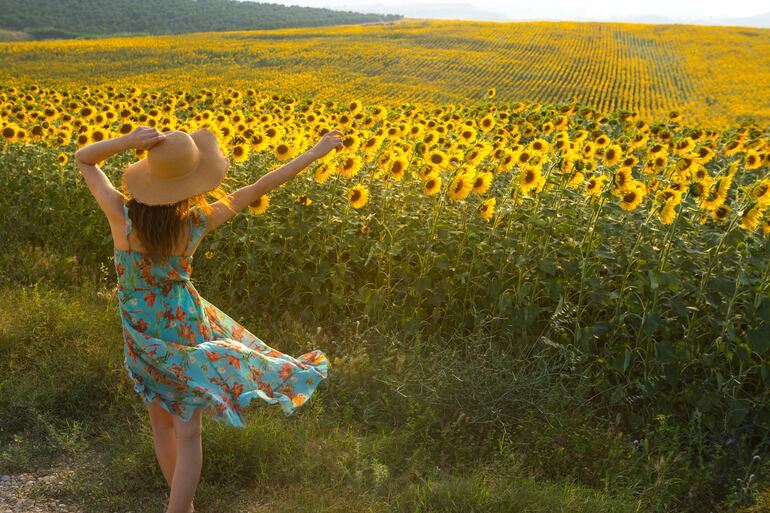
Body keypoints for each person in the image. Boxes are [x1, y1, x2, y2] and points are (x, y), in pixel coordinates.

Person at [74, 126, 344, 513]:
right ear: (191, 184)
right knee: (188, 434)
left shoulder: (121, 215)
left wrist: (129, 141)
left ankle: (182, 508)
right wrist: (314, 153)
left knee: (162, 425)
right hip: (185, 327)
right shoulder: (195, 223)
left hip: (140, 333)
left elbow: (84, 158)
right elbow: (258, 187)